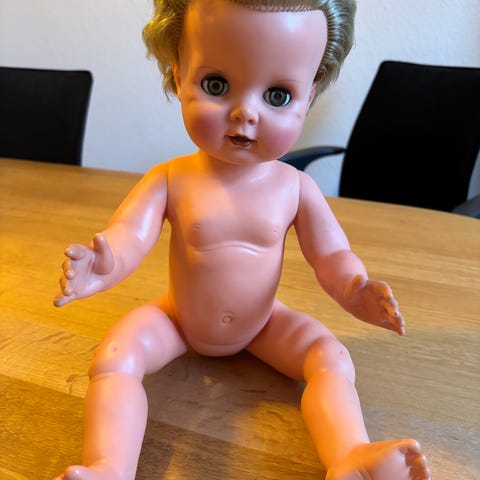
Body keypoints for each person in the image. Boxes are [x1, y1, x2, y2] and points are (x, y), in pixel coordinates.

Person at [54, 1, 431, 479]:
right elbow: (130, 234)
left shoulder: (296, 188)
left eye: (277, 95)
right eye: (216, 85)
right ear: (179, 74)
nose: (245, 113)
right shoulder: (170, 179)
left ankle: (350, 456)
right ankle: (109, 466)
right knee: (114, 359)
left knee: (331, 357)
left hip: (263, 323)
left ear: (310, 93)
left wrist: (354, 288)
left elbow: (331, 253)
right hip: (178, 320)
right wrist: (104, 265)